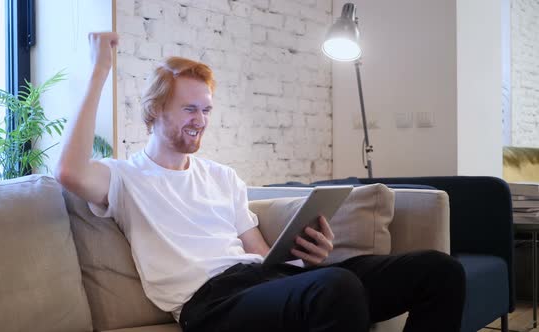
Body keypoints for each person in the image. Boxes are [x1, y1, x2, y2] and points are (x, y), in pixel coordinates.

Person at [55, 32, 465, 332]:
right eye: (189, 109)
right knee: (335, 287)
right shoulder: (126, 178)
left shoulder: (222, 177)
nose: (200, 121)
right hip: (209, 304)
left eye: (207, 110)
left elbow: (263, 255)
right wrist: (99, 71)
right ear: (155, 110)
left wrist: (308, 257)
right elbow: (69, 172)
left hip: (265, 281)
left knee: (438, 270)